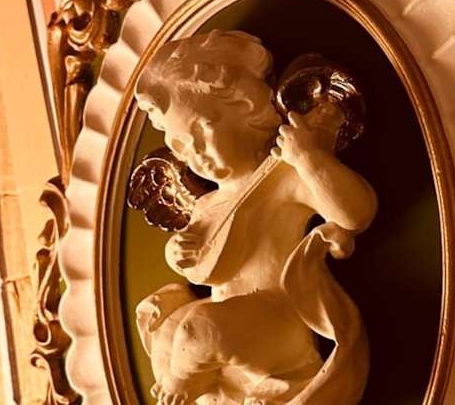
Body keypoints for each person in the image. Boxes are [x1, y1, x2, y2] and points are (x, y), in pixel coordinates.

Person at [134, 30, 377, 405]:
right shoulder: (207, 204)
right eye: (182, 145)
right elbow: (200, 268)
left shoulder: (286, 177)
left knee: (198, 331)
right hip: (232, 324)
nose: (196, 152)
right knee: (167, 330)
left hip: (277, 321)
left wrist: (311, 160)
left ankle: (187, 384)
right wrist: (176, 253)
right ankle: (205, 388)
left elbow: (355, 214)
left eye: (202, 129)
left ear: (247, 109)